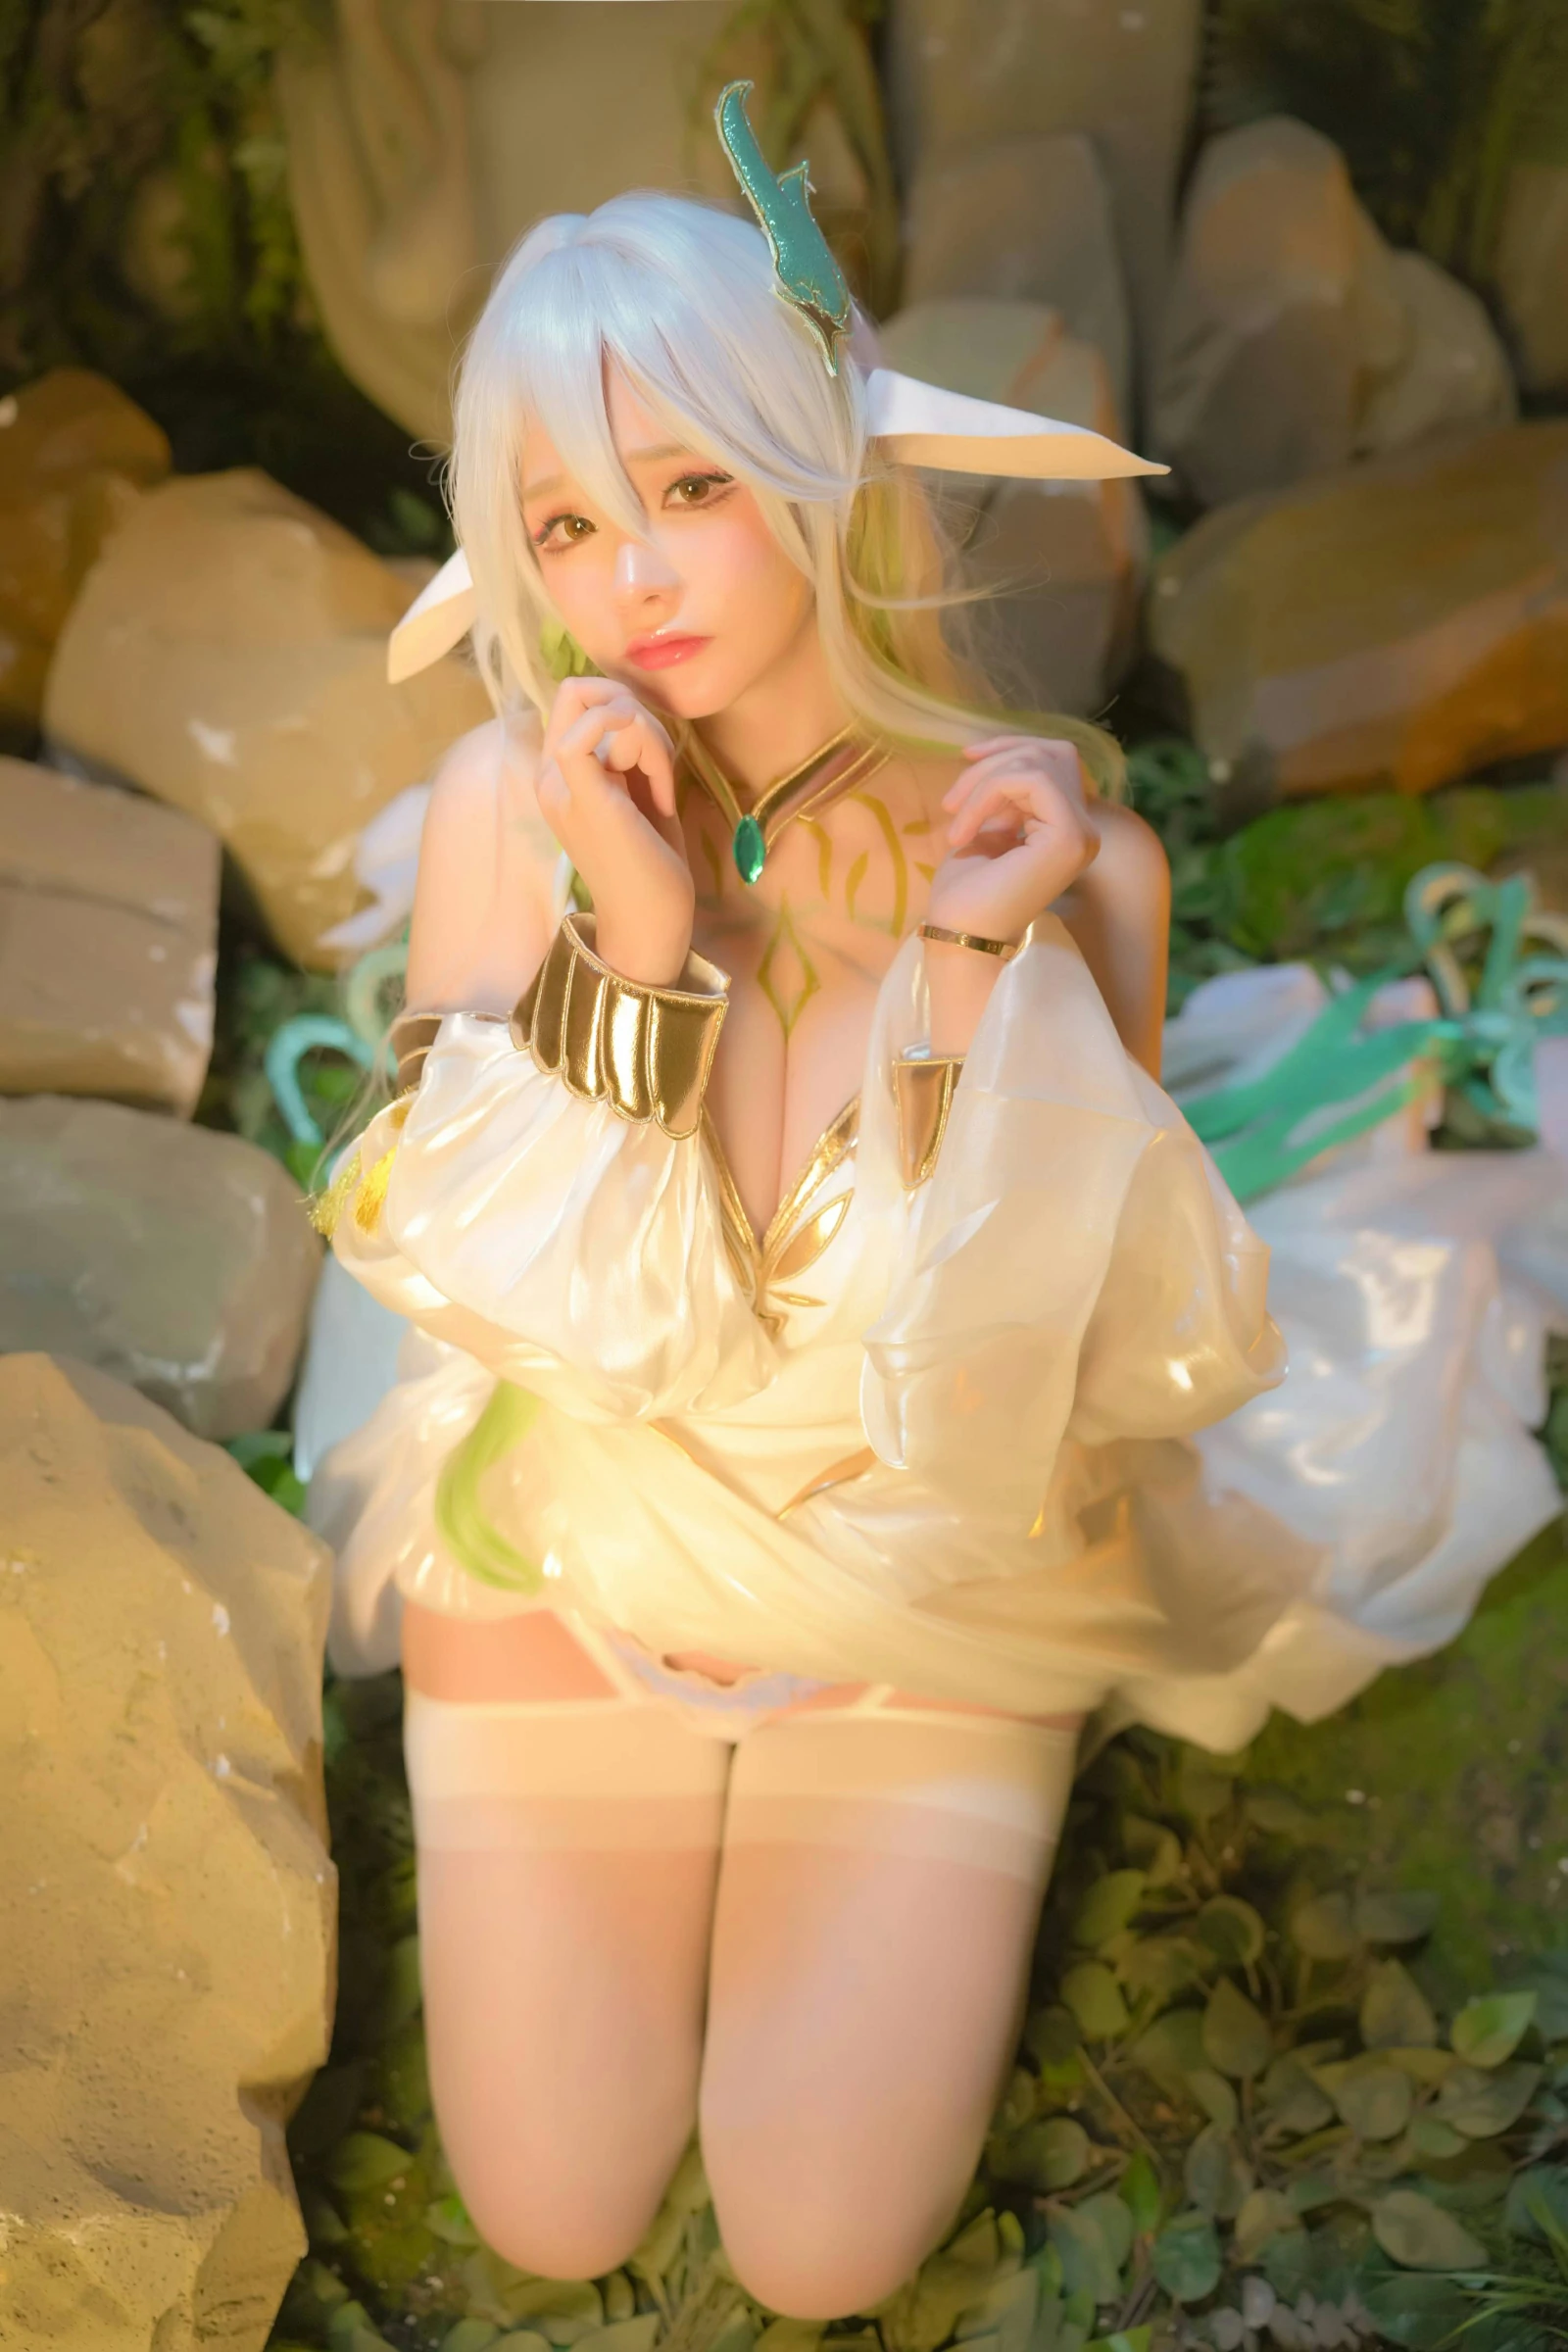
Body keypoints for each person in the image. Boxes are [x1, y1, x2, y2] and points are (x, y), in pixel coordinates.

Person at [309, 90, 1327, 2315]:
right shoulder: (513, 811)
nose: (635, 580)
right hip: (573, 1551)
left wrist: (969, 971)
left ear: (817, 463)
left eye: (689, 488)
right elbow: (510, 1295)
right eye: (567, 526)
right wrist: (634, 939)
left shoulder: (1069, 867)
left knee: (818, 2248)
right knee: (553, 2205)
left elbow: (1052, 1356)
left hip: (937, 1592)